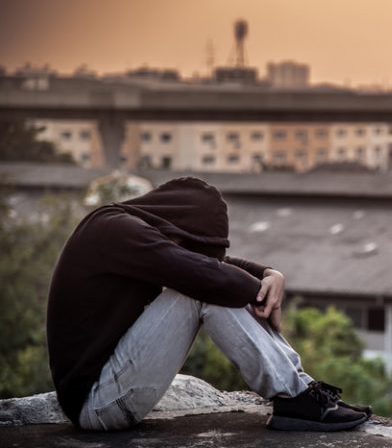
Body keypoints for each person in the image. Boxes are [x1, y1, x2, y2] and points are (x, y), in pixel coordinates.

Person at [46, 177, 370, 432]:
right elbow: (207, 275)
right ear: (176, 227)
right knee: (203, 289)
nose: (192, 258)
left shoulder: (126, 228)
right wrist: (259, 288)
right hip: (97, 403)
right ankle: (296, 398)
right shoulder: (115, 230)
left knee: (211, 283)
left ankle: (301, 390)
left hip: (106, 390)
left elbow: (212, 266)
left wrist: (270, 274)